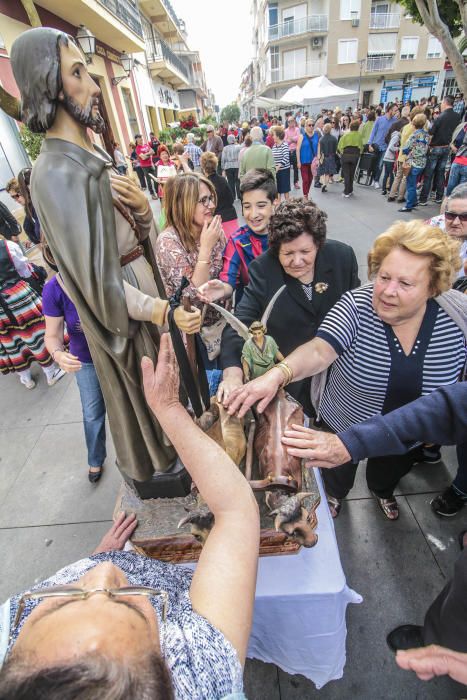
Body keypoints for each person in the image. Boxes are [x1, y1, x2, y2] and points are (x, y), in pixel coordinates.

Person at [0, 334, 259, 699]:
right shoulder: (201, 674)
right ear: (166, 661)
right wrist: (169, 409)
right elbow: (235, 511)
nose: (103, 571)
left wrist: (97, 553)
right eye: (127, 601)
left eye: (64, 598)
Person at [12, 28, 201, 491]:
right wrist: (161, 311)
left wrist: (141, 212)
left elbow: (132, 243)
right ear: (52, 84)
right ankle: (163, 465)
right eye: (78, 73)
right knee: (151, 405)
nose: (95, 86)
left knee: (170, 389)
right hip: (128, 315)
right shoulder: (55, 172)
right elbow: (96, 283)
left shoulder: (87, 155)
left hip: (142, 296)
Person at [226, 221, 465, 522]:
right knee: (336, 473)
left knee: (388, 471)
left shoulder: (459, 317)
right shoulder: (356, 305)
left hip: (407, 437)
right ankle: (336, 497)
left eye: (405, 284)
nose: (388, 291)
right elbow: (318, 349)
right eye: (384, 277)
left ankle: (383, 491)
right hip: (342, 427)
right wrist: (277, 374)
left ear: (433, 287)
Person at [218, 198, 359, 413]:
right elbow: (239, 324)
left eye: (305, 252)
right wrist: (232, 375)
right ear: (276, 250)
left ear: (318, 244)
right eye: (288, 254)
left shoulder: (342, 257)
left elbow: (357, 313)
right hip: (291, 383)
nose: (297, 261)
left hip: (341, 376)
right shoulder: (263, 270)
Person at [43, 271, 107, 484]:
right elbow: (52, 335)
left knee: (130, 405)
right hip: (85, 360)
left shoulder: (102, 270)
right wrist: (58, 354)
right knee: (92, 412)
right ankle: (95, 458)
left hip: (118, 355)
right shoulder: (54, 288)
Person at [155, 173, 225, 365]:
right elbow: (193, 298)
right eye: (203, 200)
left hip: (223, 324)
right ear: (184, 204)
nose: (211, 205)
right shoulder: (168, 242)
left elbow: (228, 274)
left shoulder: (212, 229)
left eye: (211, 197)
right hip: (195, 337)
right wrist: (206, 249)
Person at [198, 169, 278, 305]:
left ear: (275, 202)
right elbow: (229, 279)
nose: (253, 214)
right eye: (247, 207)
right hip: (252, 313)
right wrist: (222, 289)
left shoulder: (289, 234)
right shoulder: (237, 241)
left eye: (261, 205)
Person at [0, 237, 65, 390]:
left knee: (11, 340)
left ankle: (26, 377)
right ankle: (50, 372)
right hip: (18, 295)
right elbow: (24, 270)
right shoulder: (7, 246)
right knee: (36, 333)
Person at [418, 95, 461, 206]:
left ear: (445, 103)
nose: (441, 105)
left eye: (442, 103)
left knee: (429, 174)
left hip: (436, 147)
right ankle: (439, 196)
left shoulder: (440, 117)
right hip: (447, 148)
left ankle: (423, 199)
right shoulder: (457, 117)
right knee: (441, 173)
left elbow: (431, 132)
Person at [387, 106, 423, 203]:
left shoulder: (405, 127)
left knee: (398, 176)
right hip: (409, 156)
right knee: (404, 177)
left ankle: (391, 195)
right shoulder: (415, 129)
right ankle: (400, 197)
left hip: (401, 154)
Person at [200, 152, 238, 239]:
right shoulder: (222, 180)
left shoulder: (205, 184)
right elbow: (231, 199)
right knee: (235, 245)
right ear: (215, 165)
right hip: (231, 216)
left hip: (217, 220)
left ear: (203, 167)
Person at [399, 113, 430, 212]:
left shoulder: (414, 134)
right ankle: (414, 201)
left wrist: (406, 150)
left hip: (413, 162)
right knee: (414, 182)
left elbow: (406, 148)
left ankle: (408, 205)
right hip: (422, 162)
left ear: (414, 123)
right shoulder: (426, 134)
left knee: (410, 185)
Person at [6, 174, 40, 246]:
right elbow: (29, 227)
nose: (16, 200)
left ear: (23, 191)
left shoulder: (38, 204)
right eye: (13, 197)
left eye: (16, 196)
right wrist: (30, 239)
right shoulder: (28, 208)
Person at [368, 103, 397, 188]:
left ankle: (376, 180)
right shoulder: (379, 119)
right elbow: (373, 132)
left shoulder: (395, 121)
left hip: (386, 146)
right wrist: (369, 144)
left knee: (380, 164)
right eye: (395, 110)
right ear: (390, 110)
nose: (396, 112)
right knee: (374, 163)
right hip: (376, 145)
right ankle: (372, 179)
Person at [337, 120, 364, 198]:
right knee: (352, 173)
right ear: (358, 127)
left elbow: (339, 146)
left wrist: (342, 153)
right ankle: (350, 190)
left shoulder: (346, 135)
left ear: (350, 127)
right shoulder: (359, 136)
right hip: (355, 155)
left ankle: (346, 192)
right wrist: (359, 154)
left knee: (346, 174)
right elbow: (361, 147)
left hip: (345, 154)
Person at [297, 119, 319, 198]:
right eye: (309, 125)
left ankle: (306, 193)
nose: (311, 127)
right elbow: (298, 149)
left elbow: (319, 145)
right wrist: (298, 161)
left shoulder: (316, 135)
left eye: (313, 125)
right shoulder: (301, 136)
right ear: (305, 126)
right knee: (305, 180)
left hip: (312, 162)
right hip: (304, 162)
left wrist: (318, 158)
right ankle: (305, 195)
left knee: (310, 179)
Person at [446, 119, 467, 196]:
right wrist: (452, 146)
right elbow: (451, 138)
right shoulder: (461, 126)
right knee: (451, 191)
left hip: (461, 160)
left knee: (460, 192)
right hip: (456, 158)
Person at [135, 134, 158, 200]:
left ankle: (157, 192)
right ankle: (152, 194)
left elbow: (153, 152)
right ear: (137, 140)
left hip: (151, 164)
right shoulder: (138, 148)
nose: (141, 140)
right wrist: (149, 153)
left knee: (156, 179)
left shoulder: (146, 145)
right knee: (149, 181)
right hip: (144, 167)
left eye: (141, 138)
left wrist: (147, 154)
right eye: (139, 139)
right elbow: (143, 158)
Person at [317, 123, 338, 193]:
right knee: (328, 173)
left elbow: (319, 150)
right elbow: (335, 149)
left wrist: (319, 157)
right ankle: (325, 184)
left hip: (323, 157)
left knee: (322, 172)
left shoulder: (321, 139)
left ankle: (323, 183)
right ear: (330, 130)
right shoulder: (334, 139)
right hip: (331, 157)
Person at [271, 126, 291, 200]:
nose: (273, 137)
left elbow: (286, 157)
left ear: (278, 136)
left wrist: (279, 166)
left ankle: (288, 205)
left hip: (284, 171)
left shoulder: (284, 145)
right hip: (276, 171)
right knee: (278, 190)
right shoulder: (274, 146)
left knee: (285, 190)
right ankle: (279, 207)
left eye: (274, 135)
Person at [221, 134, 242, 201]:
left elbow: (223, 159)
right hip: (237, 165)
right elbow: (241, 157)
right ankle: (239, 196)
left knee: (230, 182)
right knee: (237, 181)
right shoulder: (239, 147)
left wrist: (223, 168)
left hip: (228, 166)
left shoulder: (225, 148)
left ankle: (233, 197)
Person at [381, 129, 400, 196]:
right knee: (391, 175)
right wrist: (399, 148)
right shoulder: (397, 137)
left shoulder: (394, 136)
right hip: (390, 159)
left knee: (386, 174)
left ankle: (384, 190)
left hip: (386, 158)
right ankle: (389, 190)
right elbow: (391, 148)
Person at [284, 116, 301, 189]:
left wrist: (291, 139)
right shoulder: (285, 131)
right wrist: (293, 140)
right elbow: (285, 141)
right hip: (288, 151)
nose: (291, 123)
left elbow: (298, 138)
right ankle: (287, 183)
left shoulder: (297, 129)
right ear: (287, 123)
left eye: (292, 121)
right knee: (287, 168)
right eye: (289, 121)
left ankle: (296, 182)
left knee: (296, 168)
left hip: (295, 151)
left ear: (294, 122)